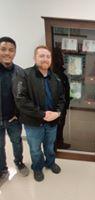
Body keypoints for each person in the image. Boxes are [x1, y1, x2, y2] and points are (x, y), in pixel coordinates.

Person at [13, 45, 65, 182]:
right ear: (35, 58)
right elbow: (21, 101)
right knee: (35, 149)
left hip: (52, 122)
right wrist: (42, 114)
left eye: (48, 56)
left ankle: (50, 162)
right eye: (41, 56)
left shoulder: (56, 79)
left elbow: (62, 99)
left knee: (50, 146)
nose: (45, 59)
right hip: (33, 123)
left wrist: (58, 113)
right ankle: (37, 168)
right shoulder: (23, 75)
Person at [0, 37, 29, 181]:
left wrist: (18, 114)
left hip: (13, 119)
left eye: (11, 50)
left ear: (15, 52)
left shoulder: (20, 73)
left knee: (17, 142)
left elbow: (24, 97)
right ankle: (2, 170)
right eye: (3, 49)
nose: (7, 53)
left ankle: (19, 162)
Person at [53, 47, 70, 149]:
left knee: (60, 124)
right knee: (58, 125)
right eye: (61, 56)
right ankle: (57, 144)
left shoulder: (60, 72)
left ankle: (59, 143)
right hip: (59, 105)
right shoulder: (55, 73)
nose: (63, 58)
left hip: (63, 104)